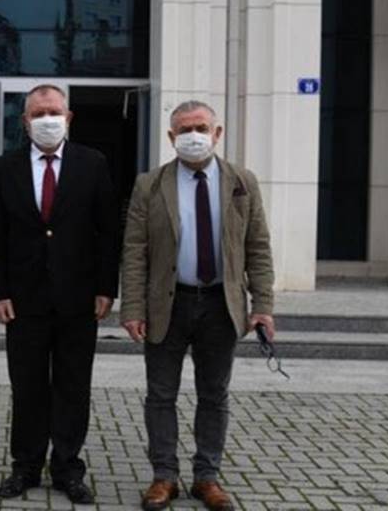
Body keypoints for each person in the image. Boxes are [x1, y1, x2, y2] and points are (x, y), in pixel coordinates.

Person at [120, 100, 275, 511]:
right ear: (171, 137)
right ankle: (164, 476)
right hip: (167, 304)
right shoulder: (149, 185)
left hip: (221, 305)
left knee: (214, 395)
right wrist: (132, 308)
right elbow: (135, 251)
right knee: (160, 395)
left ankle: (207, 477)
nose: (194, 135)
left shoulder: (242, 181)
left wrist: (263, 304)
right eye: (185, 129)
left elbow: (258, 246)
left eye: (201, 127)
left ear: (217, 133)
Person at [0, 84, 118, 504]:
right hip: (23, 301)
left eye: (54, 112)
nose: (47, 119)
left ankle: (66, 468)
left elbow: (107, 231)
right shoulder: (2, 169)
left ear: (68, 117)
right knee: (27, 387)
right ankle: (25, 466)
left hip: (79, 298)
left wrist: (106, 287)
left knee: (73, 386)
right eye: (38, 113)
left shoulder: (93, 164)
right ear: (25, 121)